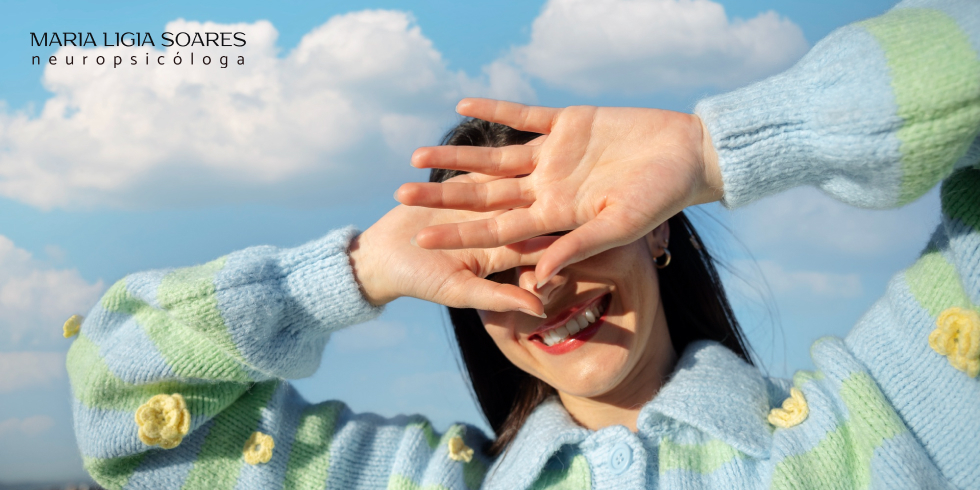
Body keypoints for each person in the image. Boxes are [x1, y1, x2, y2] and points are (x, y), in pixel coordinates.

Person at [67, 0, 979, 488]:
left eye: (564, 237)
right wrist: (351, 274)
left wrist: (716, 149)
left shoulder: (871, 433)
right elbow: (128, 413)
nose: (540, 291)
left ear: (654, 228)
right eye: (488, 272)